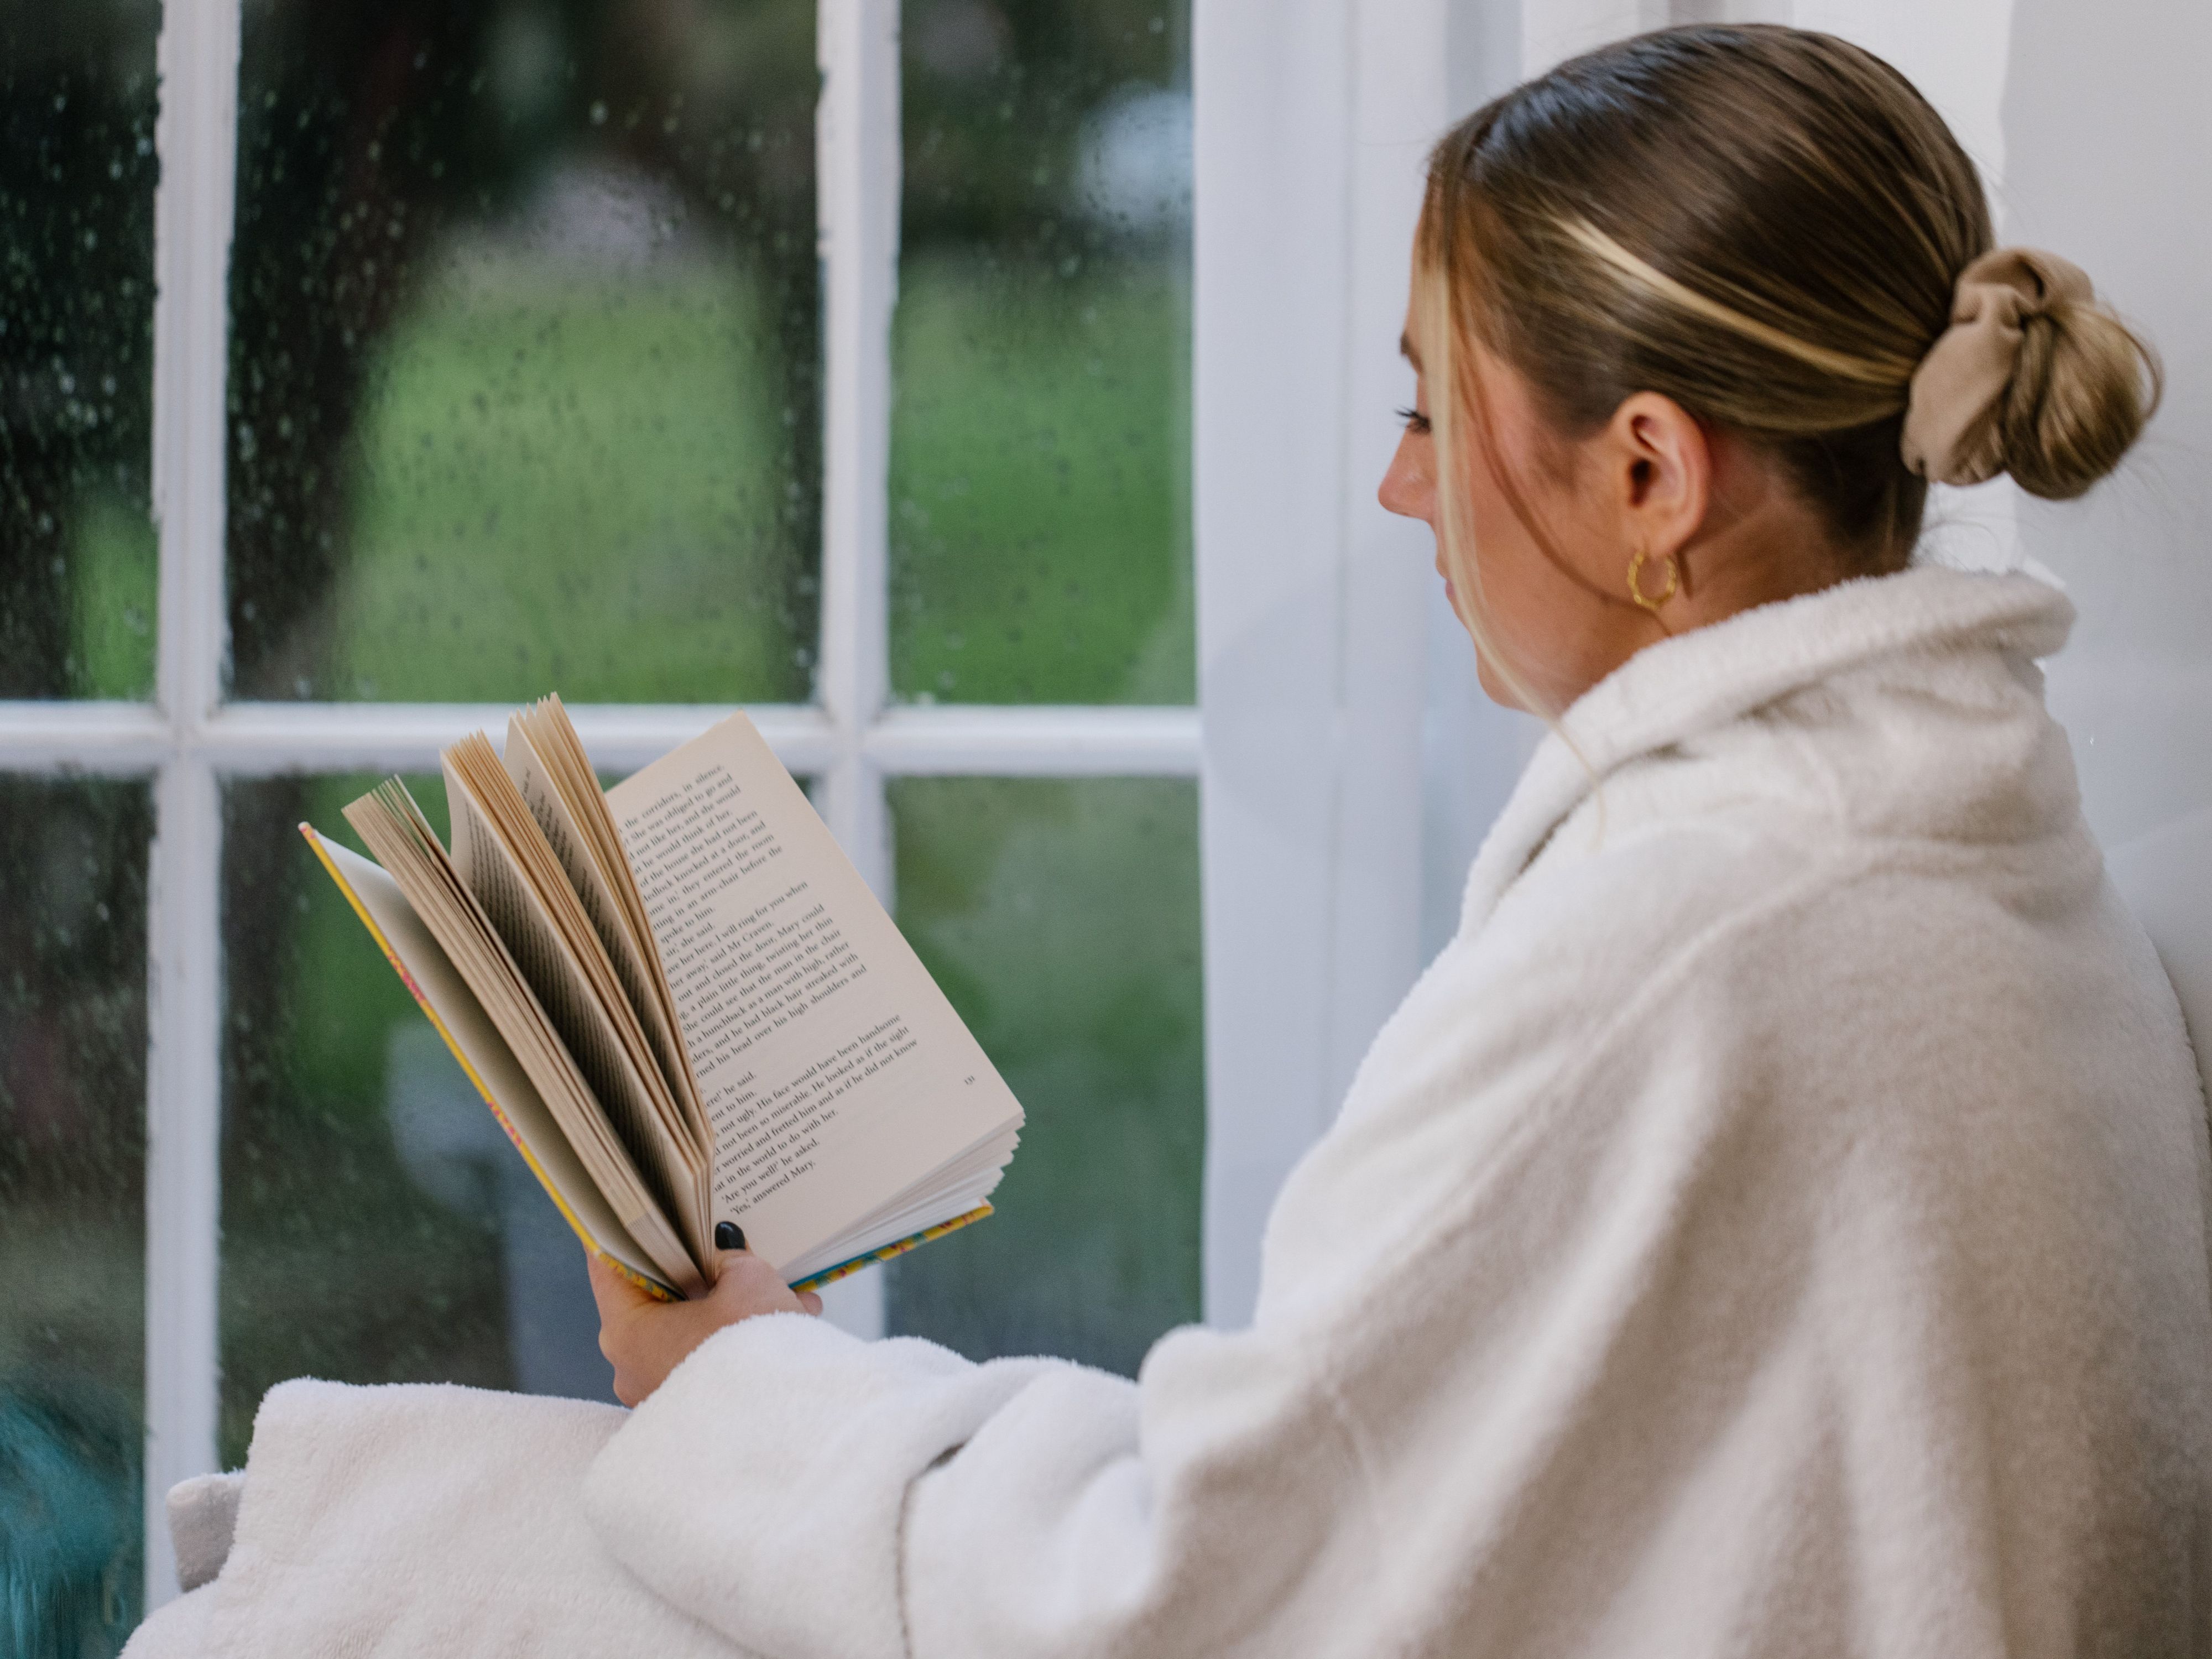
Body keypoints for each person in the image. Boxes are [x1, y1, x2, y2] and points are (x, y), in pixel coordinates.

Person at [128, 23, 2209, 1658]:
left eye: (1426, 412)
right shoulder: (1973, 853)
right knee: (415, 1524)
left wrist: (739, 1385)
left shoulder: (1688, 935)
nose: (1405, 499)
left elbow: (1193, 1602)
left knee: (361, 1565)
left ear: (1652, 472)